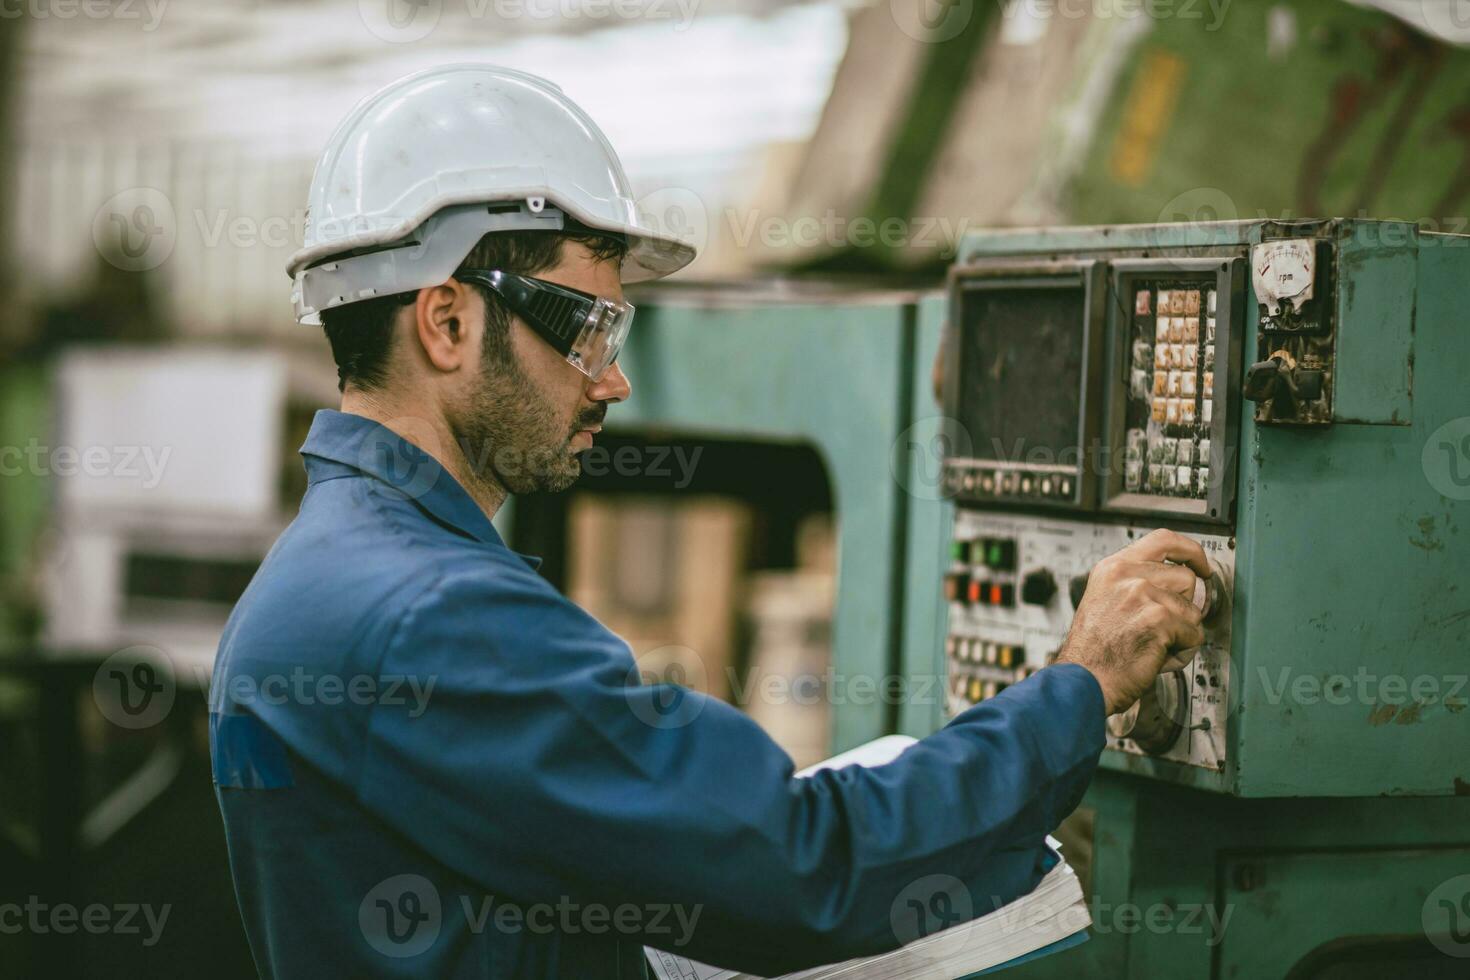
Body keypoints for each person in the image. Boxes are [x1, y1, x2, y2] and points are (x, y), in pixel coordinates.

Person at [209, 64, 1209, 979]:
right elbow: (800, 863)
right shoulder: (429, 612)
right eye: (588, 326)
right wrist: (1075, 690)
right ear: (448, 320)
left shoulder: (330, 570)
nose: (613, 377)